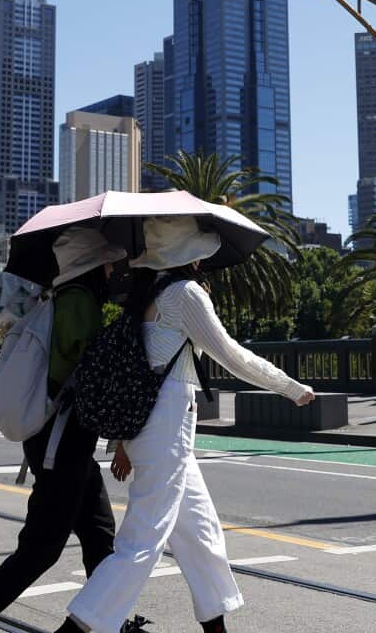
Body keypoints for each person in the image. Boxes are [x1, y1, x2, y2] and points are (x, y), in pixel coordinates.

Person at [58, 217, 315, 633]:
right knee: (143, 538)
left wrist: (122, 441)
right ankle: (77, 627)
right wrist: (288, 386)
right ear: (193, 257)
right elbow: (231, 355)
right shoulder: (185, 295)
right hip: (167, 424)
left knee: (200, 531)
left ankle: (216, 627)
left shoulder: (147, 292)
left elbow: (135, 372)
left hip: (153, 426)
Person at [0, 228, 127, 633]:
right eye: (108, 262)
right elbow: (81, 375)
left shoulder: (57, 300)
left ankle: (110, 622)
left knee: (99, 535)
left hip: (57, 438)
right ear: (93, 265)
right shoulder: (81, 303)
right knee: (40, 550)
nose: (113, 270)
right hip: (65, 440)